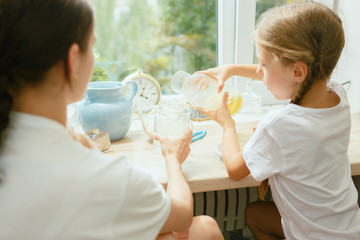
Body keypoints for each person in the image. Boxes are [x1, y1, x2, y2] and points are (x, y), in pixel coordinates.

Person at [0, 1, 224, 239]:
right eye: (91, 47)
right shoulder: (102, 177)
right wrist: (172, 159)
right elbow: (182, 216)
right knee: (203, 229)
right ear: (72, 61)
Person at [198, 2, 360, 240]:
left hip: (311, 235)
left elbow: (234, 169)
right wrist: (230, 69)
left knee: (252, 214)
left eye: (263, 63)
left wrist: (227, 123)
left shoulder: (279, 124)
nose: (260, 71)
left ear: (298, 72)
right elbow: (285, 72)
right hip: (347, 227)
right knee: (256, 214)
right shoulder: (338, 96)